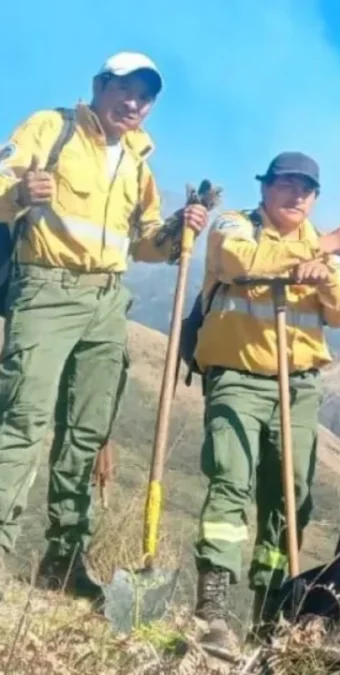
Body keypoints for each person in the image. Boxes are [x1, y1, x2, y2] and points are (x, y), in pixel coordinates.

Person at [0, 51, 209, 602]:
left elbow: (142, 244)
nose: (134, 103)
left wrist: (176, 233)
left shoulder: (140, 162)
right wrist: (20, 195)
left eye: (145, 97)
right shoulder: (49, 128)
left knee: (86, 434)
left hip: (108, 302)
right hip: (46, 289)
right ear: (99, 85)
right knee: (24, 419)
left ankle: (64, 562)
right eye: (125, 90)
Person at [189, 151, 340, 647]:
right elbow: (236, 261)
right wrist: (319, 250)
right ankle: (214, 610)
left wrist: (326, 269)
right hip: (238, 379)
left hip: (299, 387)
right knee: (230, 479)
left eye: (306, 189)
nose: (296, 195)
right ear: (265, 188)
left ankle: (269, 613)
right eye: (286, 184)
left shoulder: (322, 249)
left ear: (314, 198)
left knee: (289, 499)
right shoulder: (235, 225)